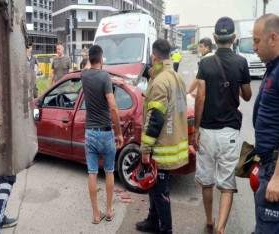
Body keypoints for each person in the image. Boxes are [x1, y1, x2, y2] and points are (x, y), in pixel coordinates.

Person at [193, 16, 252, 234]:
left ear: (215, 38)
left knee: (207, 182)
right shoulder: (241, 62)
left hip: (207, 131)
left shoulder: (205, 63)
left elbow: (200, 97)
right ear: (234, 38)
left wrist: (196, 130)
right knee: (227, 184)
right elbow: (247, 96)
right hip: (230, 133)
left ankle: (209, 220)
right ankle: (221, 228)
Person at [135, 39, 189, 234]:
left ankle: (165, 230)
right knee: (155, 187)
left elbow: (156, 119)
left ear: (154, 57)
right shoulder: (176, 77)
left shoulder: (159, 82)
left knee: (160, 193)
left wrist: (145, 150)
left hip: (162, 148)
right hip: (173, 143)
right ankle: (152, 220)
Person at [81, 45, 124, 225]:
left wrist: (86, 58)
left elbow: (84, 66)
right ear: (101, 58)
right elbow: (113, 106)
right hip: (106, 132)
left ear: (90, 59)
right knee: (108, 171)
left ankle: (95, 214)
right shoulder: (105, 77)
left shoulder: (84, 75)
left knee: (92, 172)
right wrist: (119, 132)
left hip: (90, 132)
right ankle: (108, 210)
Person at [252, 13, 279, 234]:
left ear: (273, 38)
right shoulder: (273, 67)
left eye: (257, 41)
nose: (254, 47)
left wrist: (277, 177)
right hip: (268, 164)